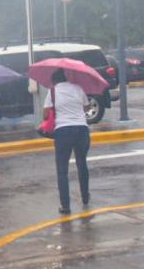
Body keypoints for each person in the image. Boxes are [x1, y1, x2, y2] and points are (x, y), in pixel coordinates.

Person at [43, 68, 91, 215]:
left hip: (63, 131)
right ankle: (85, 196)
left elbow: (45, 115)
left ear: (54, 80)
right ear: (65, 77)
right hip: (82, 129)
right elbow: (87, 106)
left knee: (62, 169)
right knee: (82, 163)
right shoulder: (78, 88)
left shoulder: (52, 92)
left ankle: (65, 205)